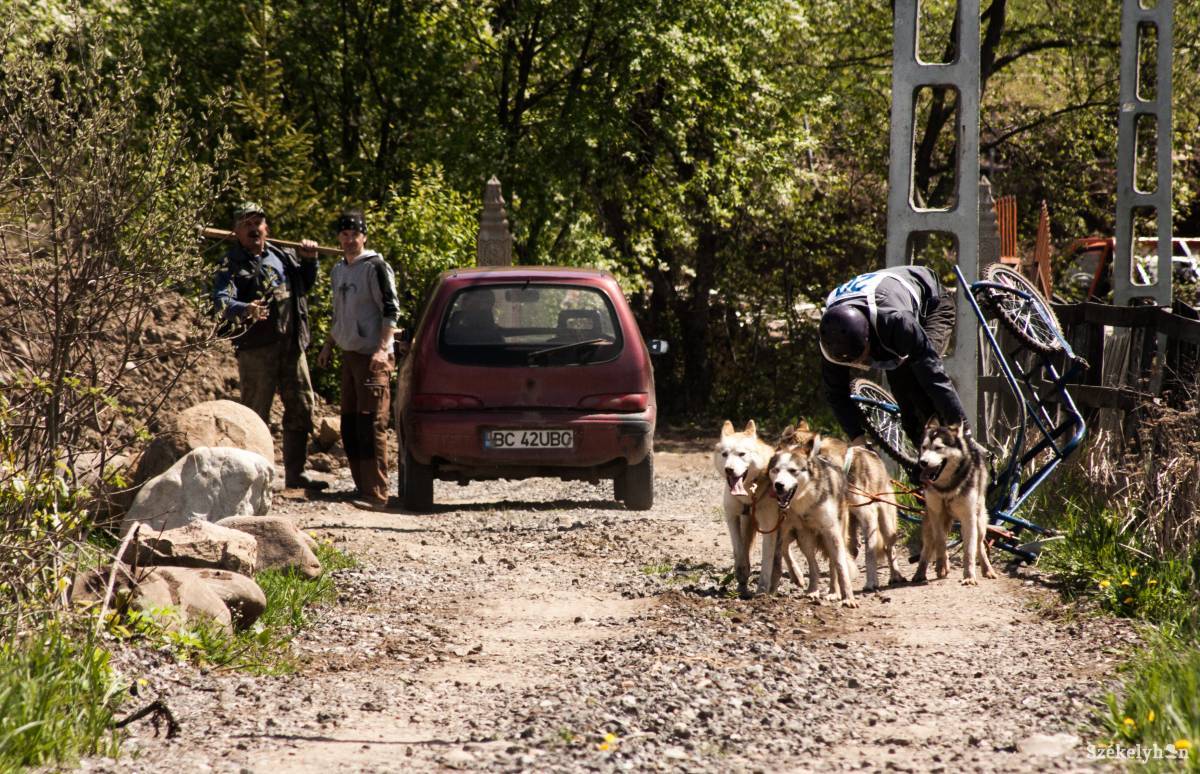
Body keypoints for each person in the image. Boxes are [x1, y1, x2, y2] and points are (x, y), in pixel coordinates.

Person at [212, 201, 327, 490]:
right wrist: (244, 308)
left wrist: (310, 260)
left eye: (257, 223)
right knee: (254, 415)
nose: (253, 229)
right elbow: (220, 301)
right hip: (256, 350)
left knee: (301, 406)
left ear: (267, 228)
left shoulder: (283, 256)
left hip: (291, 347)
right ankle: (253, 479)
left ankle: (296, 474)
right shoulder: (230, 264)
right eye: (246, 224)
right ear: (236, 231)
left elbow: (304, 286)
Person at [819, 264, 967, 449]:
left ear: (869, 337)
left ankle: (953, 441)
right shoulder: (831, 337)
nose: (861, 364)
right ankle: (923, 447)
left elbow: (934, 375)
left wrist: (962, 427)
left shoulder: (895, 321)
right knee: (908, 411)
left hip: (932, 302)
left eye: (863, 357)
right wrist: (859, 442)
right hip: (885, 301)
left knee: (919, 377)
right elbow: (836, 394)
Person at [316, 210, 400, 507]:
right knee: (350, 424)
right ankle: (361, 487)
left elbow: (391, 309)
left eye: (355, 234)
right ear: (339, 238)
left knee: (372, 423)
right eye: (345, 234)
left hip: (373, 356)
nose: (350, 240)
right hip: (349, 354)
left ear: (364, 236)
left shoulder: (375, 267)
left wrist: (383, 348)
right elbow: (340, 313)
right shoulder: (339, 269)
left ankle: (377, 493)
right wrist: (329, 345)